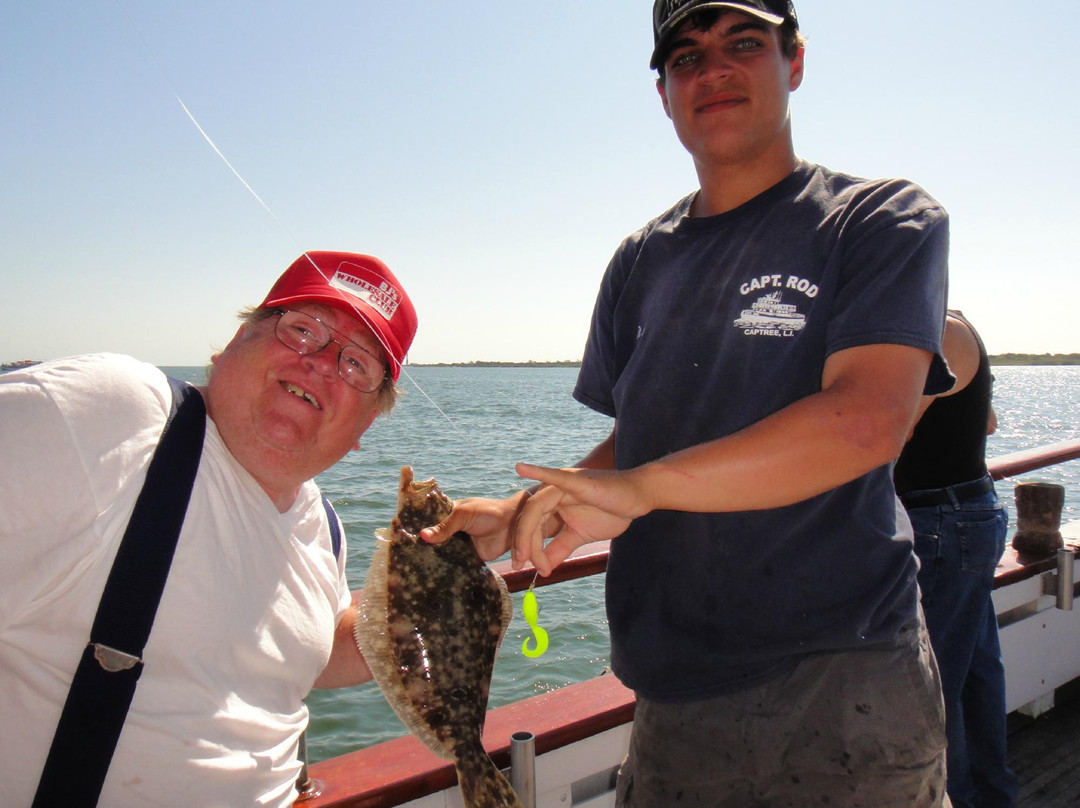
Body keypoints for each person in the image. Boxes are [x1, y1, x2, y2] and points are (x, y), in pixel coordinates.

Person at [422, 2, 955, 805]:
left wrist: (643, 488)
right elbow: (637, 444)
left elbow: (866, 421)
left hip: (842, 675)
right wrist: (536, 503)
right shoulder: (639, 259)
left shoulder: (877, 220)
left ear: (795, 63)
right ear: (664, 94)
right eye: (685, 56)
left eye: (744, 43)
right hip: (672, 690)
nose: (712, 69)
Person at [0, 251, 417, 807]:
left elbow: (313, 652)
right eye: (302, 329)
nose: (320, 361)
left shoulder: (323, 526)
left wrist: (453, 560)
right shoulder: (112, 416)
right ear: (229, 347)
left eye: (356, 364)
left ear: (367, 426)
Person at [895, 310, 1019, 808]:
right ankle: (994, 794)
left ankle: (960, 797)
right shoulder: (956, 325)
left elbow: (888, 429)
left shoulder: (933, 329)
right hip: (965, 515)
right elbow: (986, 421)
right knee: (973, 673)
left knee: (934, 685)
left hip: (939, 524)